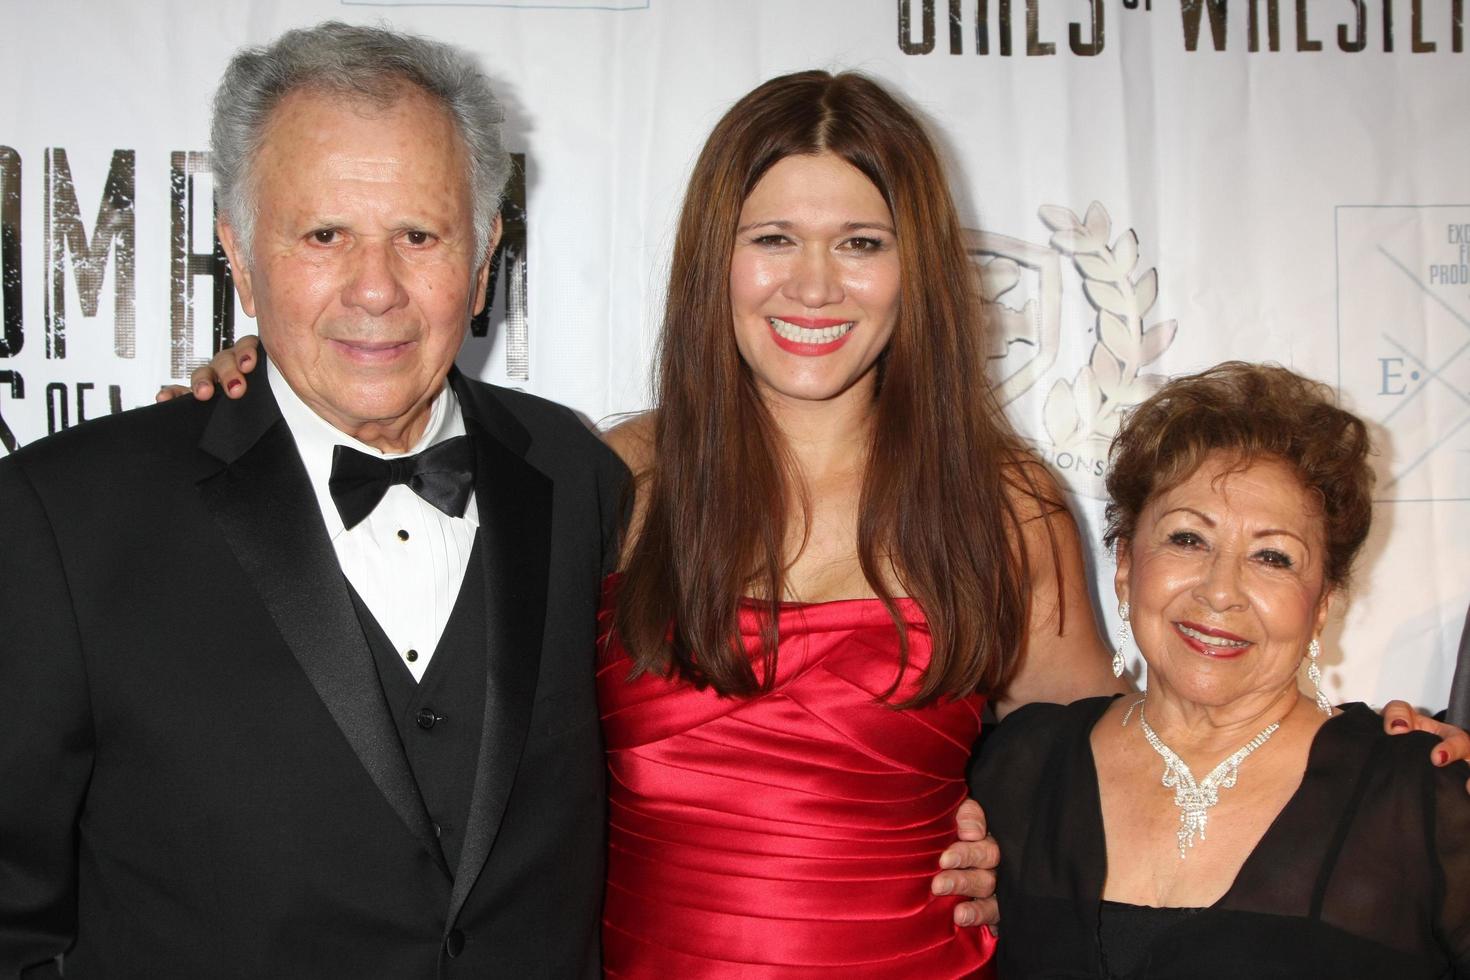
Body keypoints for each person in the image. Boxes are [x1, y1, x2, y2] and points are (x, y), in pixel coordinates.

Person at [175, 71, 1470, 976]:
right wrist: (264, 395)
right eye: (771, 238)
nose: (811, 285)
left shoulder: (1002, 507)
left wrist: (1351, 754)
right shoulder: (597, 483)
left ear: (914, 268)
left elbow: (1092, 757)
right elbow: (408, 705)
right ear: (711, 259)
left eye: (858, 241)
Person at [0, 22, 625, 977]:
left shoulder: (580, 479)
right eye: (324, 235)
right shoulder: (64, 515)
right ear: (240, 258)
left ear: (488, 250)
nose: (375, 289)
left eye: (419, 235)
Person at [972, 362, 1470, 978]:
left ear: (1324, 604)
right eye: (1188, 539)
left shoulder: (1422, 796)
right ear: (1126, 563)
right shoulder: (1015, 770)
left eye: (1272, 556)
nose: (1221, 591)